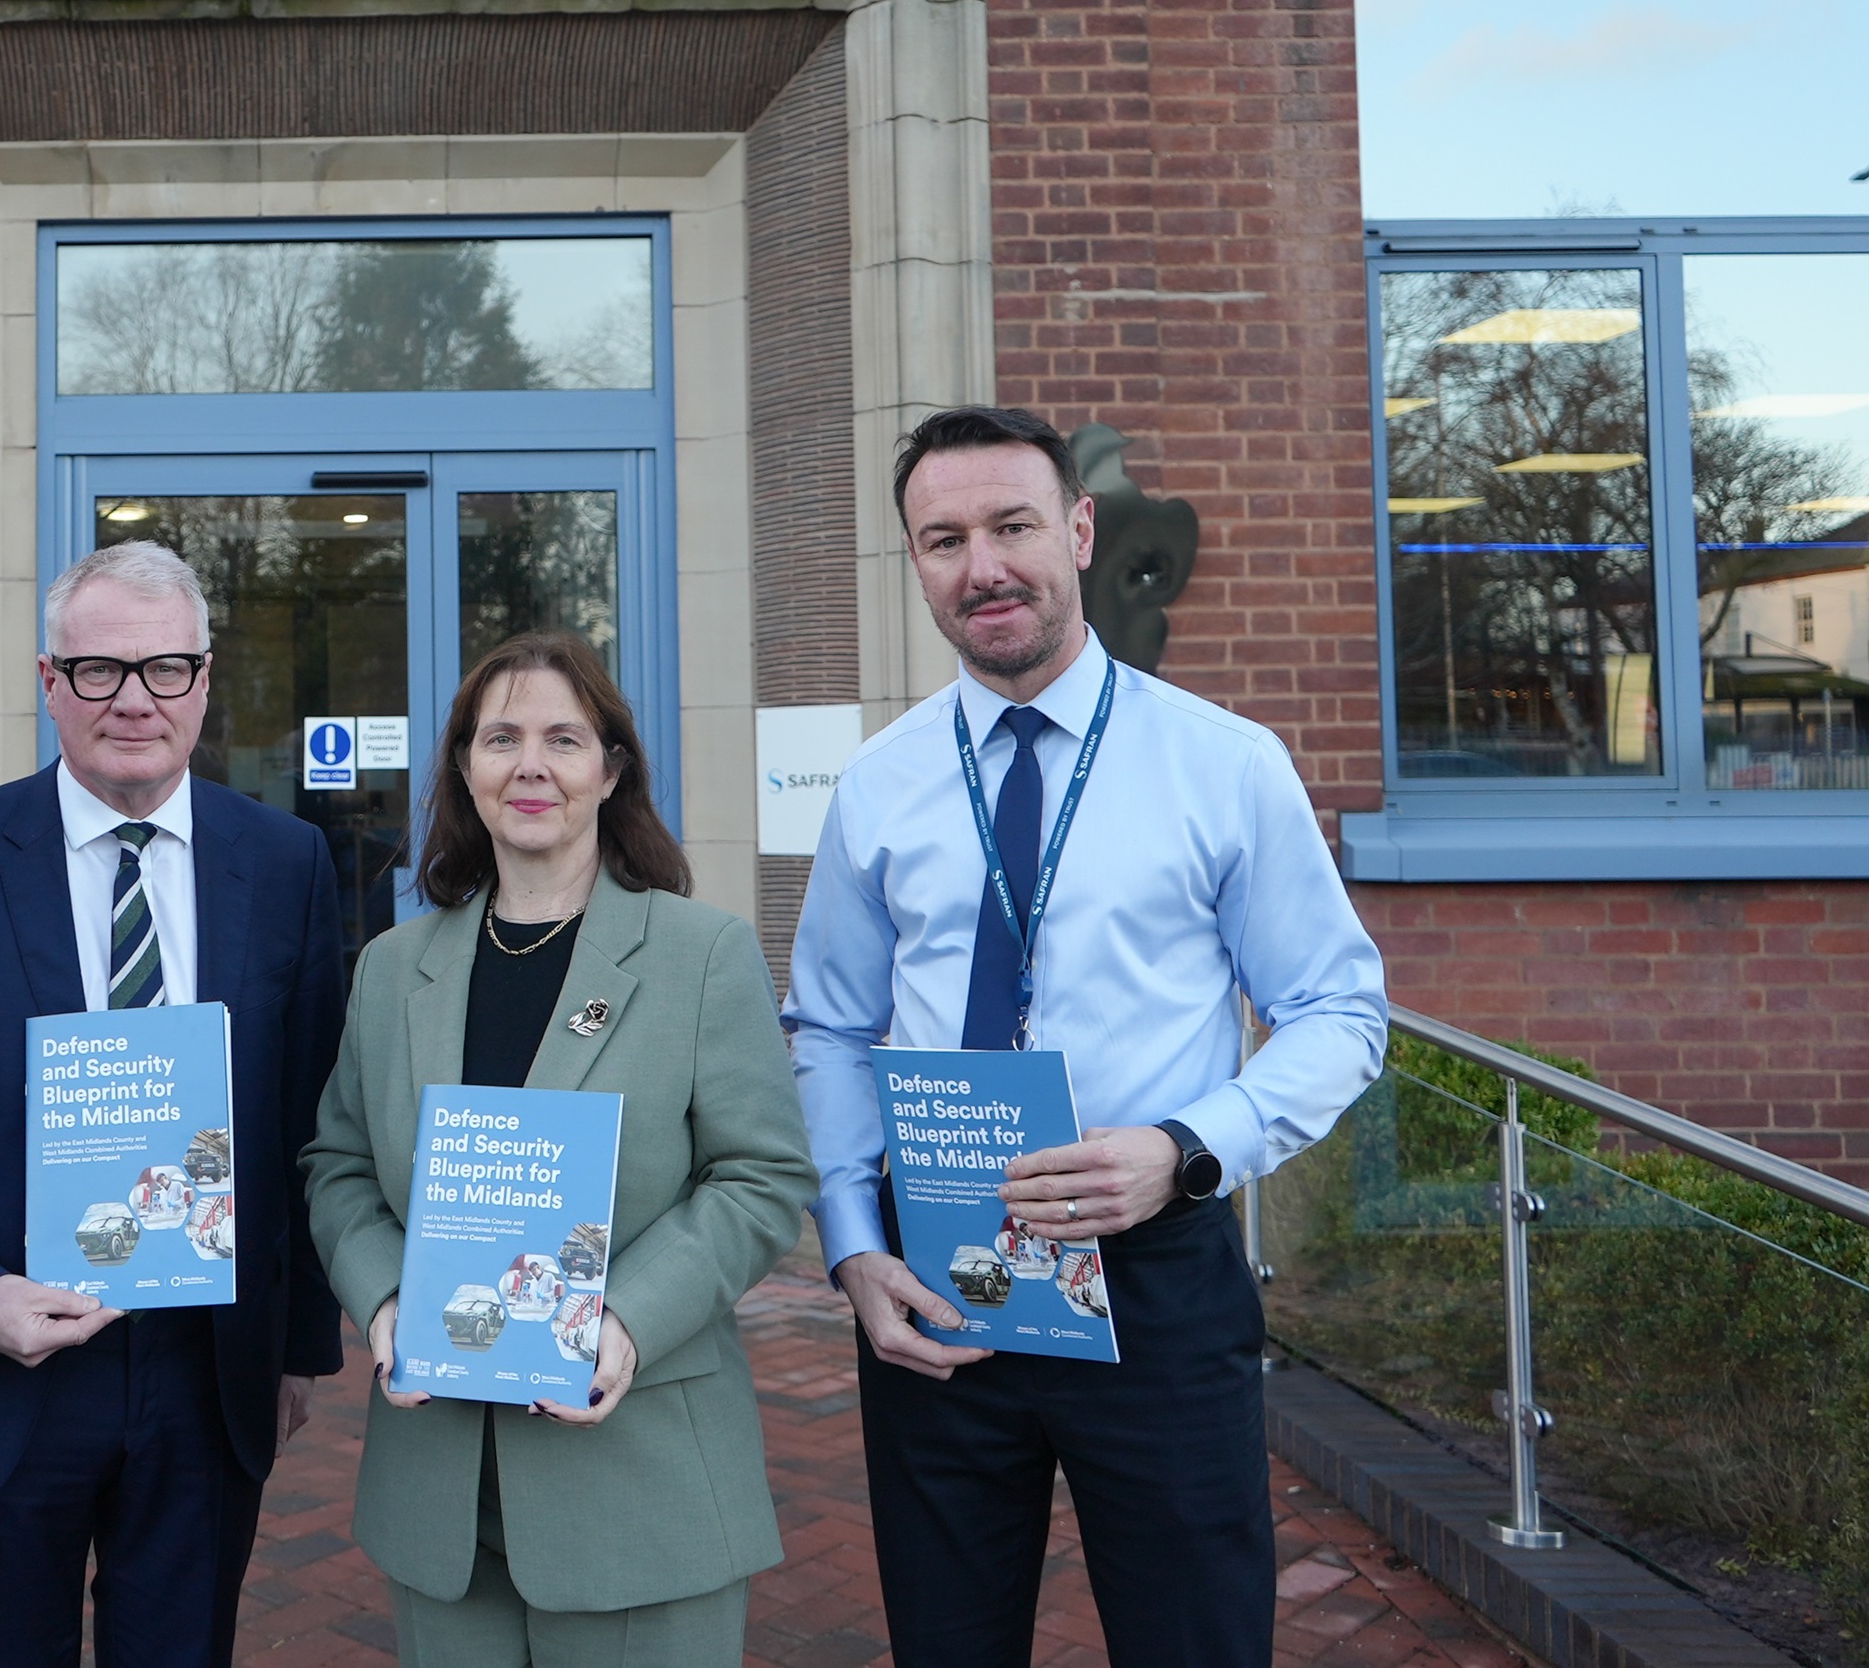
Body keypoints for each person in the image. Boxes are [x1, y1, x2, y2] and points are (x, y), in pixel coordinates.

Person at [785, 406, 1388, 1668]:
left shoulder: (1222, 764)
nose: (982, 566)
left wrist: (1184, 1145)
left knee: (1194, 1638)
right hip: (939, 1278)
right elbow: (831, 1024)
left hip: (1155, 1276)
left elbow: (1339, 1009)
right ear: (916, 562)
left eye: (1010, 525)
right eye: (942, 538)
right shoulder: (880, 783)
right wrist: (850, 1244)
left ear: (1079, 528)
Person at [0, 539, 348, 1668]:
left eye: (165, 668)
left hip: (203, 1373)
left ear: (205, 678)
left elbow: (311, 1116)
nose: (134, 699)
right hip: (3, 1367)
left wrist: (295, 1347)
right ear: (48, 681)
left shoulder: (285, 864)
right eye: (98, 671)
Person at [304, 631, 818, 1667]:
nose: (530, 764)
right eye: (501, 737)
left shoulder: (700, 952)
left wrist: (624, 1317)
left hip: (637, 1483)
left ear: (610, 768)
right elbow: (340, 1164)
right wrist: (385, 1300)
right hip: (442, 1491)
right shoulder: (396, 967)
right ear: (463, 765)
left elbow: (762, 1178)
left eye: (563, 738)